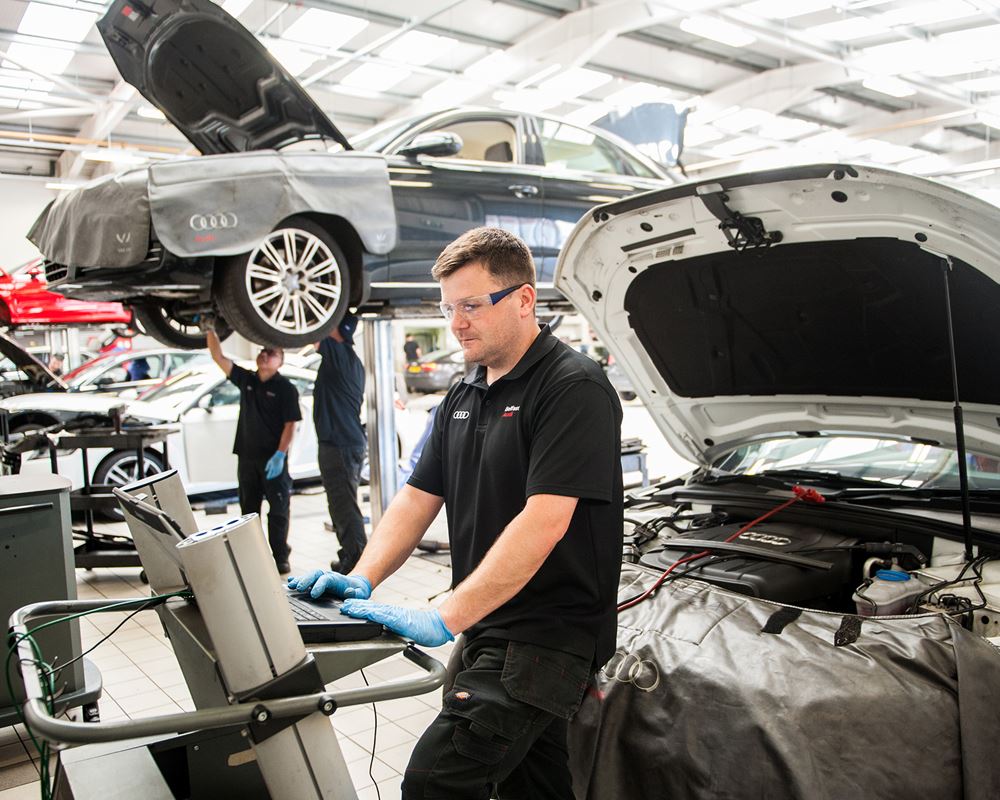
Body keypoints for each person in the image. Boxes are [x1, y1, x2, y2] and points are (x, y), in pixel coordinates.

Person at [290, 227, 624, 798]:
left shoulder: (572, 387)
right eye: (448, 308)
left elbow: (544, 520)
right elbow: (419, 496)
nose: (455, 323)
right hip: (488, 625)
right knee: (533, 786)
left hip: (547, 637)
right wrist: (362, 577)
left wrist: (445, 613)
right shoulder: (464, 393)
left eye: (471, 305)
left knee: (434, 781)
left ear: (523, 300)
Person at [206, 326, 301, 573]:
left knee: (278, 511)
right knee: (248, 511)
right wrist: (209, 329)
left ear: (280, 361)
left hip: (273, 460)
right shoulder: (247, 379)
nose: (265, 355)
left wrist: (280, 454)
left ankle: (280, 556)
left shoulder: (286, 388)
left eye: (272, 353)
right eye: (262, 351)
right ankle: (251, 556)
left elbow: (291, 425)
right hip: (247, 458)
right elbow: (219, 357)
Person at [313, 313, 367, 574]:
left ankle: (357, 560)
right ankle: (350, 554)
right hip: (341, 442)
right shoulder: (345, 357)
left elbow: (313, 337)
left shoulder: (340, 353)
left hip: (341, 444)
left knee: (344, 506)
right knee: (340, 503)